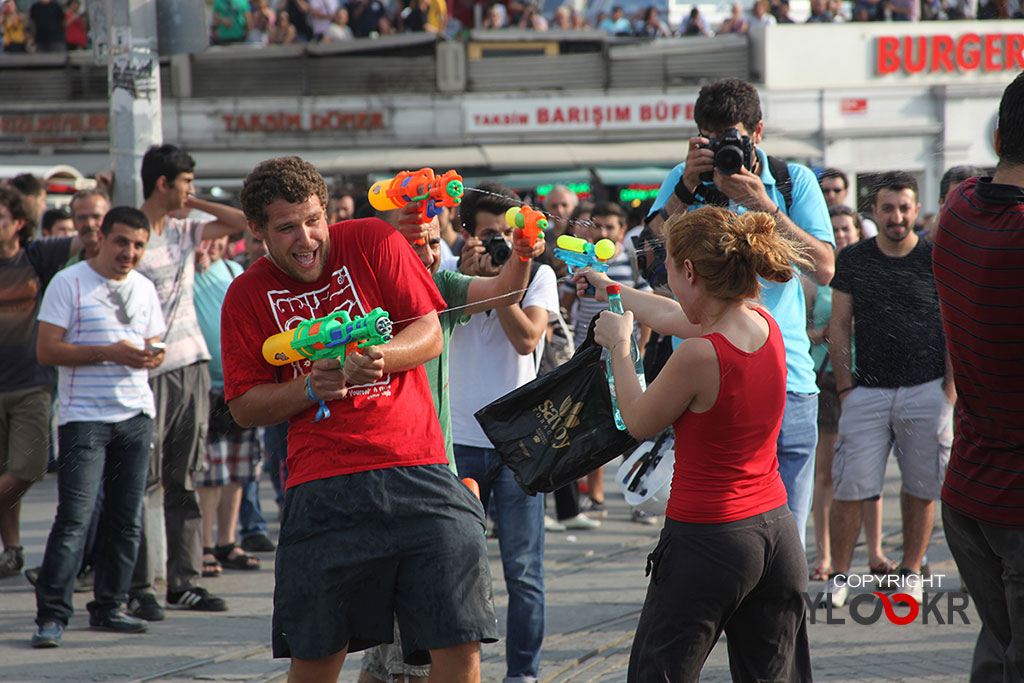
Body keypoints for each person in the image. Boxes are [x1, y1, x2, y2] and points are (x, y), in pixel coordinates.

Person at [221, 156, 497, 681]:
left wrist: (379, 358)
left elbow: (429, 330)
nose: (306, 239)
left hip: (419, 468)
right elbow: (243, 405)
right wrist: (307, 387)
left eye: (313, 221)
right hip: (322, 486)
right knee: (317, 655)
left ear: (326, 213)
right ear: (256, 231)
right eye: (285, 228)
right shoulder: (245, 295)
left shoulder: (371, 239)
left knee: (460, 646)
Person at [577, 205, 811, 681]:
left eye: (666, 268)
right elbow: (672, 314)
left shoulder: (702, 355)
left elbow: (639, 421)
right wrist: (615, 291)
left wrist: (621, 346)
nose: (664, 278)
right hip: (775, 533)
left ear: (689, 271)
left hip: (710, 540)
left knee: (657, 674)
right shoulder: (762, 323)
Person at [644, 78, 835, 551]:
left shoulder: (793, 182)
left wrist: (763, 204)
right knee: (720, 529)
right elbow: (651, 264)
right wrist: (687, 187)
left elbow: (826, 267)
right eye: (710, 140)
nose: (722, 150)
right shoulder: (683, 178)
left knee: (783, 538)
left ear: (758, 133)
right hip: (706, 374)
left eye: (732, 138)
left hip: (785, 374)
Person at [359, 199, 544, 683]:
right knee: (386, 654)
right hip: (380, 480)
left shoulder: (443, 286)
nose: (425, 255)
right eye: (412, 243)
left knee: (443, 641)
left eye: (434, 243)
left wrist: (521, 254)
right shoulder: (364, 298)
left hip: (439, 476)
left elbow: (507, 294)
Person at [30, 206, 165, 648]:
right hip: (83, 419)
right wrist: (111, 352)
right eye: (122, 242)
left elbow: (153, 343)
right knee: (75, 518)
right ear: (101, 238)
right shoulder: (69, 283)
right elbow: (47, 350)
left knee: (126, 519)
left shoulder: (145, 287)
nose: (130, 252)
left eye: (139, 245)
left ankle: (110, 606)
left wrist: (151, 355)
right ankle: (51, 615)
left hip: (135, 415)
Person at [127, 144, 245, 621]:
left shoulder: (184, 227)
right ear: (162, 183)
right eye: (186, 183)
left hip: (191, 365)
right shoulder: (129, 235)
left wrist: (192, 202)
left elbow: (238, 222)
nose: (191, 191)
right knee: (141, 481)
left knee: (183, 477)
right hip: (145, 372)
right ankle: (138, 585)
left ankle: (185, 581)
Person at [825, 171, 952, 608]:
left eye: (904, 207)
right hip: (866, 392)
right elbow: (839, 326)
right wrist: (845, 388)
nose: (896, 216)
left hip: (927, 389)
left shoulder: (937, 257)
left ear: (916, 210)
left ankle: (911, 571)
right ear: (873, 212)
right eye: (887, 208)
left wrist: (949, 393)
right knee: (850, 488)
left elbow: (955, 326)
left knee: (922, 487)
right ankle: (840, 576)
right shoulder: (855, 259)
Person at [934, 73, 1024, 683]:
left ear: (997, 135)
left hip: (968, 494)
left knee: (999, 653)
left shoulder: (959, 207)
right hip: (1017, 508)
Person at [449, 182, 558, 683]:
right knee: (451, 571)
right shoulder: (446, 273)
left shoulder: (538, 275)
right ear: (465, 233)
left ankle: (523, 675)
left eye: (510, 234)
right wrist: (470, 282)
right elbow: (441, 324)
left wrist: (498, 287)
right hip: (455, 442)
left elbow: (526, 340)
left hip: (517, 445)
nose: (502, 244)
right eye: (491, 234)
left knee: (524, 574)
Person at [804, 205, 893, 583]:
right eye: (835, 230)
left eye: (847, 230)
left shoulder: (873, 273)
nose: (841, 236)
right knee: (825, 472)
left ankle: (875, 552)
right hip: (826, 377)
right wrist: (826, 331)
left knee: (870, 471)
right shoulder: (816, 278)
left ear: (859, 233)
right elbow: (797, 331)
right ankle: (824, 554)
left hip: (869, 376)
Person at [0, 185, 80, 581]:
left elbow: (86, 238)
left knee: (27, 467)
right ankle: (12, 550)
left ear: (18, 224)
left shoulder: (37, 256)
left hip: (32, 382)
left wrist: (100, 195)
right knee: (4, 469)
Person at [194, 235, 262, 577]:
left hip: (240, 382)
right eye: (208, 235)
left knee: (239, 469)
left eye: (220, 235)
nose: (214, 242)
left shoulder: (235, 269)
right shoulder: (187, 272)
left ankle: (228, 540)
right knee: (210, 472)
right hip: (205, 384)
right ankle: (205, 544)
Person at [819, 167, 877, 237]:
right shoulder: (813, 224)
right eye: (826, 191)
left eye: (837, 190)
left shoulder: (864, 224)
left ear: (846, 192)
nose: (831, 195)